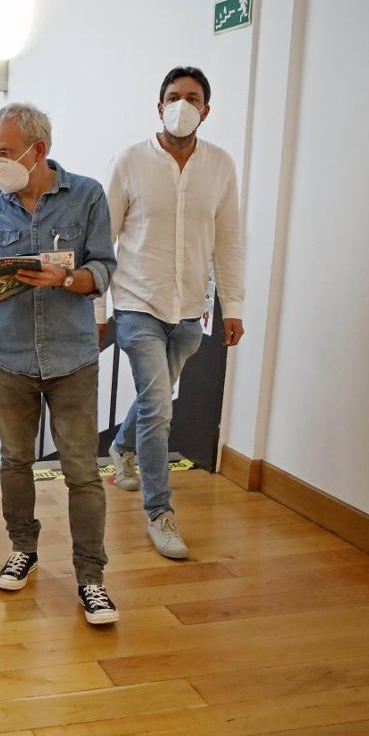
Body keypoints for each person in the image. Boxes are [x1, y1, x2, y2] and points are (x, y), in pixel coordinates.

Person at [0, 103, 120, 625]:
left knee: (82, 471)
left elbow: (103, 267)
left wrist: (67, 280)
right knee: (14, 461)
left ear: (39, 151)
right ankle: (23, 548)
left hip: (72, 356)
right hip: (9, 357)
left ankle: (91, 578)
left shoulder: (87, 195)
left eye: (6, 153)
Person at [103, 66, 245, 560]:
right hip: (137, 302)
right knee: (160, 407)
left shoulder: (221, 166)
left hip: (189, 311)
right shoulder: (130, 161)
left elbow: (229, 241)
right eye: (173, 96)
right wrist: (100, 306)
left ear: (206, 110)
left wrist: (234, 305)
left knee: (153, 400)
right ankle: (159, 514)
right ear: (158, 105)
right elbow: (105, 239)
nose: (181, 104)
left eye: (192, 97)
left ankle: (120, 447)